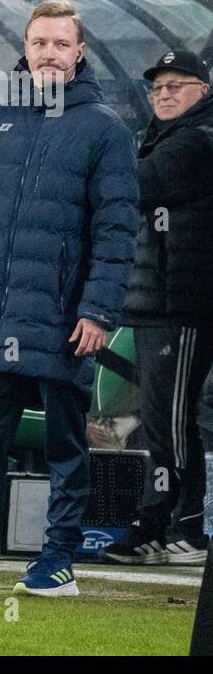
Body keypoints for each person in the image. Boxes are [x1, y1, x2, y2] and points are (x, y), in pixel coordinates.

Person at [0, 0, 139, 597]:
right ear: (25, 50)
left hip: (63, 318)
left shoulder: (105, 129)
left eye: (61, 44)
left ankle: (56, 563)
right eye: (39, 43)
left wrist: (98, 310)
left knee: (66, 444)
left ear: (79, 53)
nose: (49, 54)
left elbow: (117, 228)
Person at [105, 51, 213, 566]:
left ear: (204, 92)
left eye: (177, 84)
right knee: (159, 419)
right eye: (156, 87)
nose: (164, 93)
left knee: (168, 420)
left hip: (183, 306)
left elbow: (136, 185)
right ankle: (157, 523)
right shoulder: (160, 140)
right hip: (156, 304)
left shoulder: (195, 140)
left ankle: (185, 528)